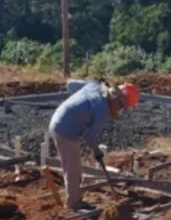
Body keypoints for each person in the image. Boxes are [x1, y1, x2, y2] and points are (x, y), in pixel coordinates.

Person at [48, 80, 140, 210]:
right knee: (73, 170)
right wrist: (97, 151)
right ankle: (73, 203)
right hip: (65, 130)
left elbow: (71, 84)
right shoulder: (102, 110)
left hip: (59, 118)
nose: (118, 110)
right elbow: (89, 137)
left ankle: (75, 199)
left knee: (75, 167)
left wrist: (77, 108)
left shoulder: (94, 86)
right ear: (116, 98)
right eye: (120, 107)